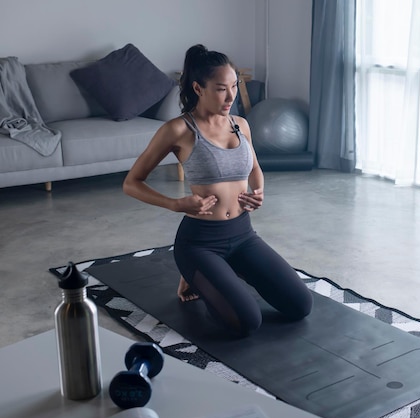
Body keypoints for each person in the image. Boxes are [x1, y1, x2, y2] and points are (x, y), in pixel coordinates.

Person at [123, 44, 313, 337]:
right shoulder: (179, 130)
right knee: (247, 323)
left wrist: (259, 191)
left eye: (235, 86)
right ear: (199, 88)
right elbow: (131, 183)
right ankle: (196, 274)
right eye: (221, 89)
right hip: (199, 242)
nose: (231, 96)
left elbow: (254, 168)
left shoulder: (241, 125)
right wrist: (175, 204)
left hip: (243, 236)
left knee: (300, 304)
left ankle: (225, 271)